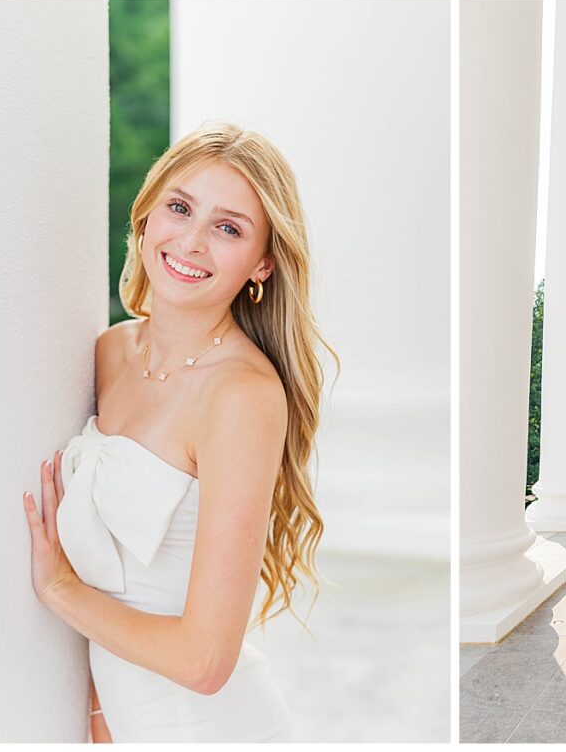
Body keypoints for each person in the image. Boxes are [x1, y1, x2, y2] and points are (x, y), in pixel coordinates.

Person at [20, 121, 337, 742]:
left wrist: (59, 588)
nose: (191, 241)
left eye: (228, 228)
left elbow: (205, 662)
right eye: (180, 207)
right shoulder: (110, 353)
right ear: (146, 215)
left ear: (263, 264)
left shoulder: (241, 396)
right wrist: (99, 723)